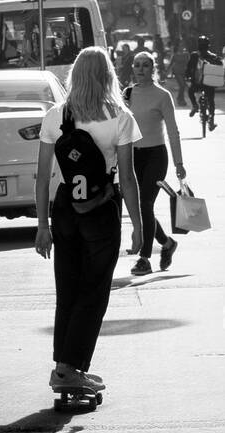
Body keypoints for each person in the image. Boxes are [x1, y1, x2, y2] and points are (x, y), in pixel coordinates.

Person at [34, 47, 143, 396]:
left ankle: (63, 366)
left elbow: (40, 177)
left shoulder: (56, 116)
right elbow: (127, 179)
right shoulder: (120, 116)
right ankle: (69, 369)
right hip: (100, 207)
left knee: (67, 288)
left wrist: (42, 226)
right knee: (94, 291)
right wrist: (139, 226)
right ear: (108, 75)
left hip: (64, 207)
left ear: (75, 76)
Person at [124, 51, 186, 275]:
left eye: (146, 65)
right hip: (132, 157)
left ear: (153, 68)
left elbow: (173, 131)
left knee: (145, 205)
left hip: (156, 156)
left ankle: (145, 258)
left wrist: (179, 163)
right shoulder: (127, 94)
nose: (141, 69)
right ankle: (167, 244)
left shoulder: (162, 95)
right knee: (141, 208)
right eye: (137, 65)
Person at [186, 35, 223, 128]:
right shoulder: (213, 56)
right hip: (209, 84)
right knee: (211, 101)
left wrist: (187, 76)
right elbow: (221, 67)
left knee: (190, 91)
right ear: (208, 45)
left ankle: (195, 105)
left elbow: (189, 68)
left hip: (197, 83)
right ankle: (212, 119)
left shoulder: (194, 55)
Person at [166, 39, 189, 106]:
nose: (182, 47)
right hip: (177, 71)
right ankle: (181, 99)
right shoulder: (175, 55)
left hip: (184, 72)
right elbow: (171, 64)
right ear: (178, 47)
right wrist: (166, 72)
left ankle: (180, 98)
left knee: (183, 86)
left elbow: (189, 63)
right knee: (182, 85)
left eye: (183, 45)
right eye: (181, 45)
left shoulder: (186, 54)